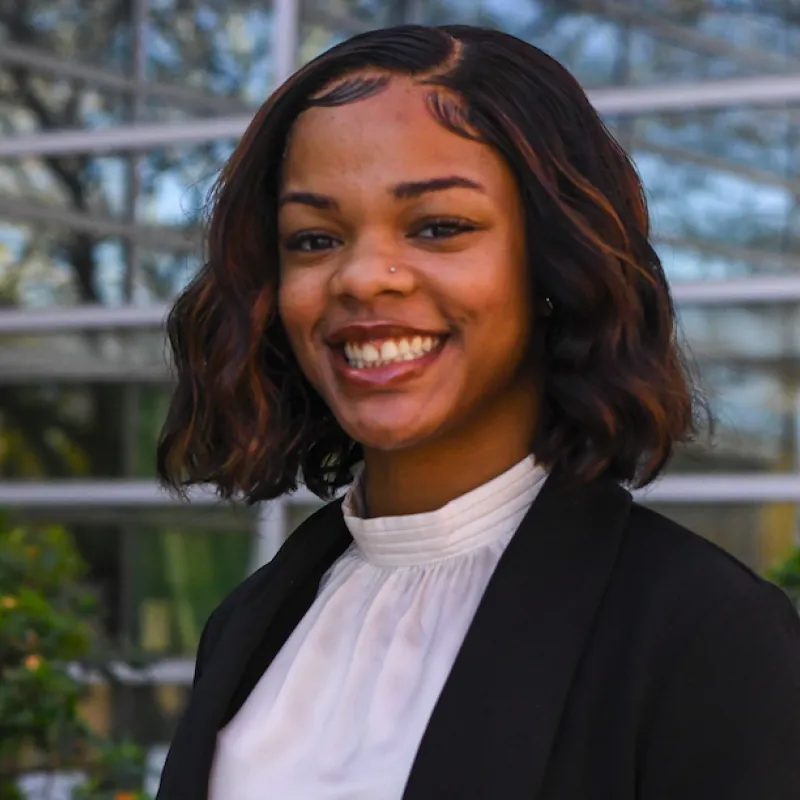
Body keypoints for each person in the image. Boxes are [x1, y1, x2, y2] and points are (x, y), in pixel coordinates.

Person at [154, 24, 800, 800]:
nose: (363, 278)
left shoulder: (704, 634)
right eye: (315, 238)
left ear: (556, 262)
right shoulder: (250, 621)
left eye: (438, 227)